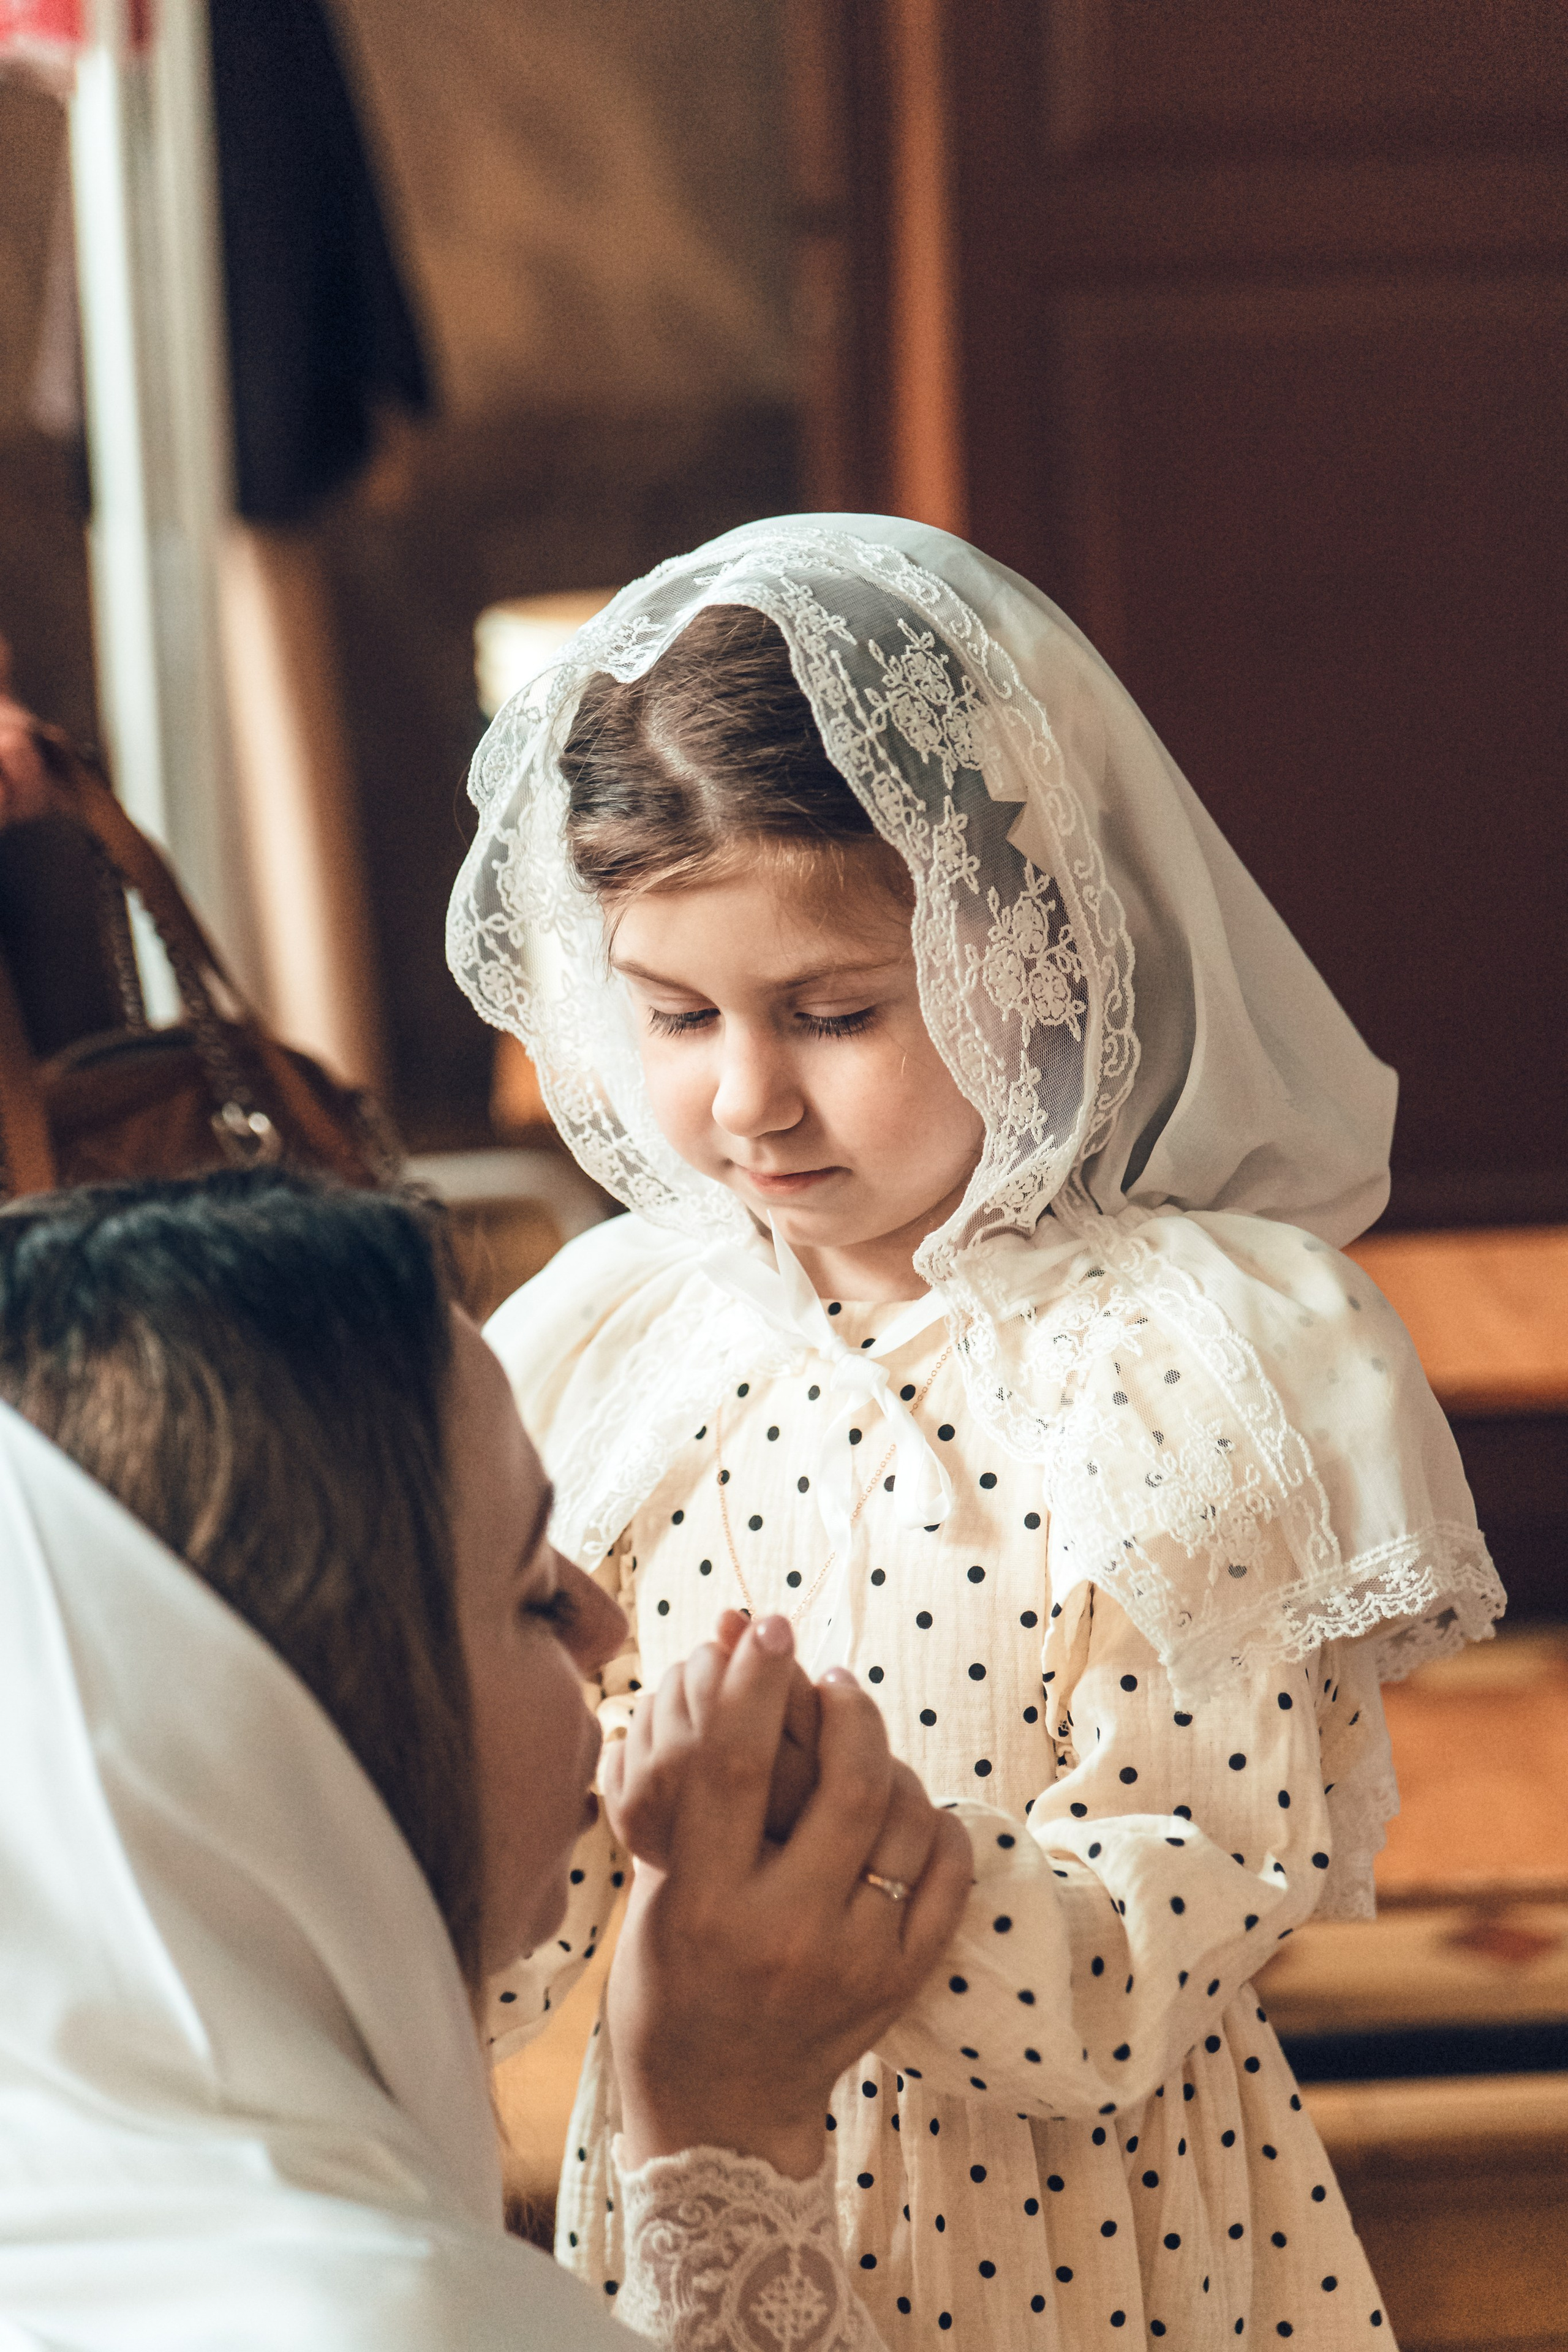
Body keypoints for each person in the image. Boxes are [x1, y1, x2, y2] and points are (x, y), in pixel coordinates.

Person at [447, 513, 1504, 2348]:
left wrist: (804, 1843)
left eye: (837, 1011)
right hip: (695, 2185)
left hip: (1086, 2239)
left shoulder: (1201, 1359)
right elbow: (511, 1929)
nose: (749, 1097)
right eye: (676, 1015)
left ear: (1029, 946)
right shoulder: (610, 1347)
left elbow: (1140, 1959)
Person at [0, 1167, 968, 2350]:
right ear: (299, 1735)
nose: (611, 1635)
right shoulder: (384, 2324)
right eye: (529, 1593)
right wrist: (733, 2138)